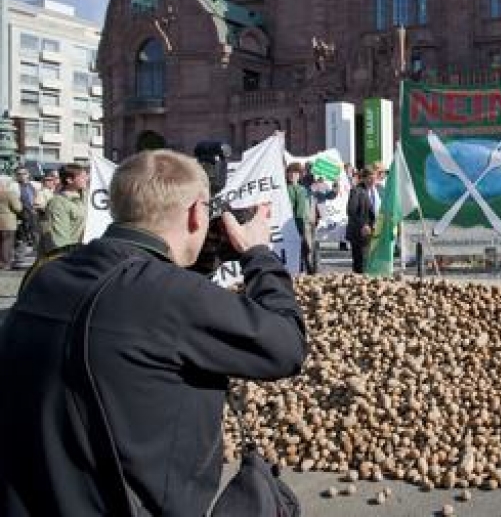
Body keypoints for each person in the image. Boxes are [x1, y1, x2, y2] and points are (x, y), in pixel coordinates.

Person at [0, 148, 306, 515]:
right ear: (196, 213)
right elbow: (285, 345)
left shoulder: (48, 276)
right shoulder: (172, 298)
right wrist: (258, 253)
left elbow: (134, 306)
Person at [43, 163, 89, 251]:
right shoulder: (58, 203)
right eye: (82, 177)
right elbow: (60, 240)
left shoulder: (84, 197)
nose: (86, 179)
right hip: (69, 255)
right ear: (69, 180)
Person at [286, 162, 316, 274]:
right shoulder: (285, 189)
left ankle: (307, 272)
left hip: (301, 225)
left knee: (306, 252)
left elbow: (303, 210)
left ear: (299, 175)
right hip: (290, 225)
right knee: (297, 252)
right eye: (290, 172)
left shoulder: (302, 189)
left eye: (295, 173)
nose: (292, 175)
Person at [346, 167, 377, 274]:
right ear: (363, 178)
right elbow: (351, 211)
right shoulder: (356, 191)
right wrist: (363, 225)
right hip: (358, 233)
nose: (373, 181)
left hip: (369, 232)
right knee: (360, 264)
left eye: (374, 178)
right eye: (370, 178)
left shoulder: (373, 191)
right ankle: (358, 284)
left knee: (367, 262)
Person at [34, 171, 59, 252]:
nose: (50, 182)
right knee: (46, 246)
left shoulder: (52, 192)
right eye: (47, 180)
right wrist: (49, 209)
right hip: (44, 221)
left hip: (52, 221)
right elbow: (38, 206)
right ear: (43, 182)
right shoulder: (42, 192)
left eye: (51, 180)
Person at [0, 177, 21, 269]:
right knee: (7, 242)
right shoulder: (10, 194)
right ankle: (5, 263)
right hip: (8, 221)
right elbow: (18, 208)